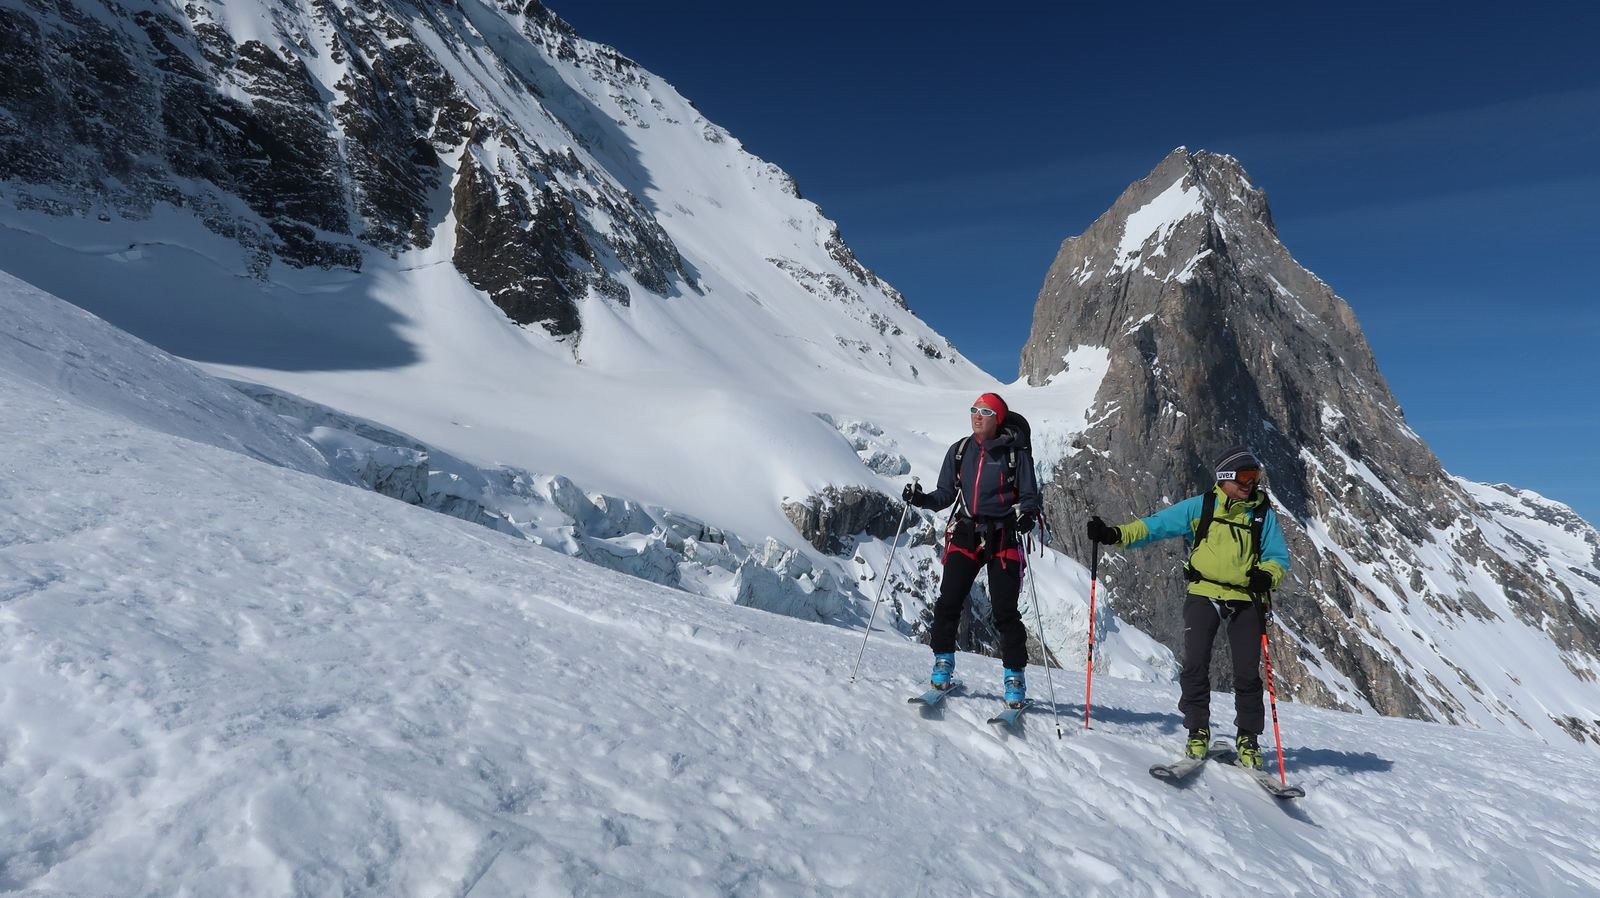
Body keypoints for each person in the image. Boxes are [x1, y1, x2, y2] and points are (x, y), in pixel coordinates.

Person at [1084, 446, 1290, 768]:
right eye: (1245, 477)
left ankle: (1248, 738)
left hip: (1246, 597)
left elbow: (1277, 558)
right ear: (1224, 479)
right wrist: (1114, 534)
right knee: (1195, 664)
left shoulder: (1262, 514)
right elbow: (1155, 525)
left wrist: (1268, 575)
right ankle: (1197, 730)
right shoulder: (1203, 506)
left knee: (1247, 674)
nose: (1252, 484)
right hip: (1203, 591)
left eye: (1255, 477)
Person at [902, 392, 1042, 708]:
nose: (977, 415)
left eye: (985, 411)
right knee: (949, 600)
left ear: (998, 418)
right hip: (966, 531)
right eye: (974, 410)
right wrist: (921, 499)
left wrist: (1027, 516)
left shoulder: (1015, 455)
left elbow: (1030, 496)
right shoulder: (960, 451)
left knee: (1005, 611)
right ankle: (942, 666)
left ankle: (1015, 680)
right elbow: (944, 495)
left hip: (1003, 533)